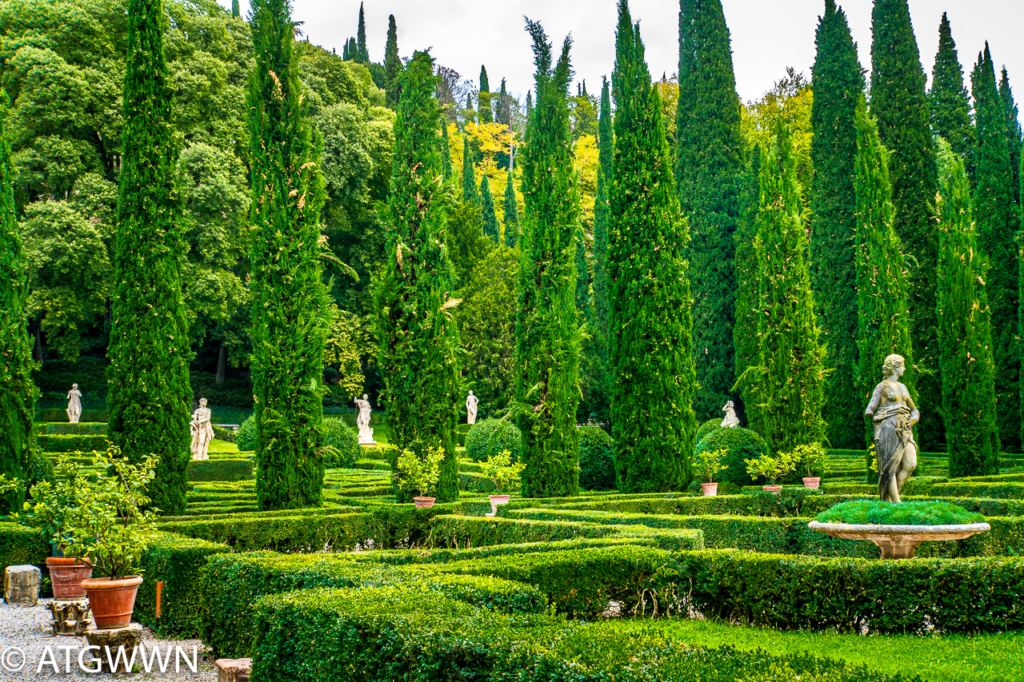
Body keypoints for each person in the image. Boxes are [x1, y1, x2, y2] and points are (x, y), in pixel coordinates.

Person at [864, 354, 919, 503]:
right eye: (902, 365)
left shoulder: (903, 387)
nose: (904, 368)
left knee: (911, 464)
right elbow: (870, 409)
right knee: (890, 467)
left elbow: (914, 410)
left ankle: (888, 498)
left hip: (905, 429)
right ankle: (896, 502)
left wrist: (912, 420)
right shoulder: (882, 386)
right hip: (888, 429)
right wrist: (886, 413)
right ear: (894, 367)